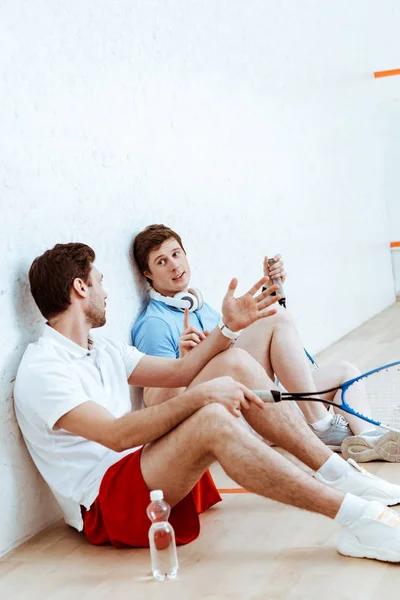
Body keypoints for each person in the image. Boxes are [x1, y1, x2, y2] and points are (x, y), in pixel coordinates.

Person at [13, 242, 400, 563]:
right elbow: (115, 435)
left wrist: (228, 328)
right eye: (99, 282)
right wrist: (203, 396)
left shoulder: (102, 347)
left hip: (142, 466)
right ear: (80, 289)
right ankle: (358, 520)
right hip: (105, 502)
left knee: (232, 362)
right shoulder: (44, 368)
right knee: (212, 417)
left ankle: (339, 474)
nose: (106, 291)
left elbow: (181, 373)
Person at [132, 224, 393, 461]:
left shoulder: (203, 309)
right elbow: (155, 403)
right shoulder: (155, 324)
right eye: (162, 261)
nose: (174, 265)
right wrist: (183, 359)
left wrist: (272, 292)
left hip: (258, 400)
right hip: (229, 418)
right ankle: (323, 426)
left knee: (346, 372)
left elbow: (243, 351)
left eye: (176, 254)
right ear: (148, 273)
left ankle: (370, 441)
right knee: (277, 318)